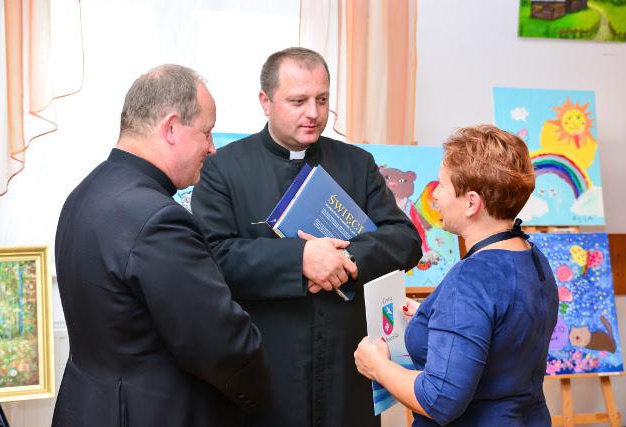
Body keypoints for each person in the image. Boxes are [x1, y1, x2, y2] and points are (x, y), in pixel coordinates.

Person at [191, 47, 422, 427]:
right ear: (265, 101)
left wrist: (345, 259)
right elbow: (213, 256)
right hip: (267, 367)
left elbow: (405, 241)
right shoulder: (222, 169)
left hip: (347, 369)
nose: (313, 113)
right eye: (298, 101)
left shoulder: (357, 163)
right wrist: (300, 259)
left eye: (322, 100)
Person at [52, 64, 271, 427]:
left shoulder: (85, 191)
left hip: (89, 405)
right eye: (207, 132)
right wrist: (262, 394)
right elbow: (220, 345)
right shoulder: (159, 219)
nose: (212, 148)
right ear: (171, 128)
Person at [354, 125, 559, 426]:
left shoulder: (472, 278)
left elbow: (439, 400)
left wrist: (378, 367)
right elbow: (503, 330)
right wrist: (435, 316)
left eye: (441, 185)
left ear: (472, 203)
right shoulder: (532, 256)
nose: (434, 194)